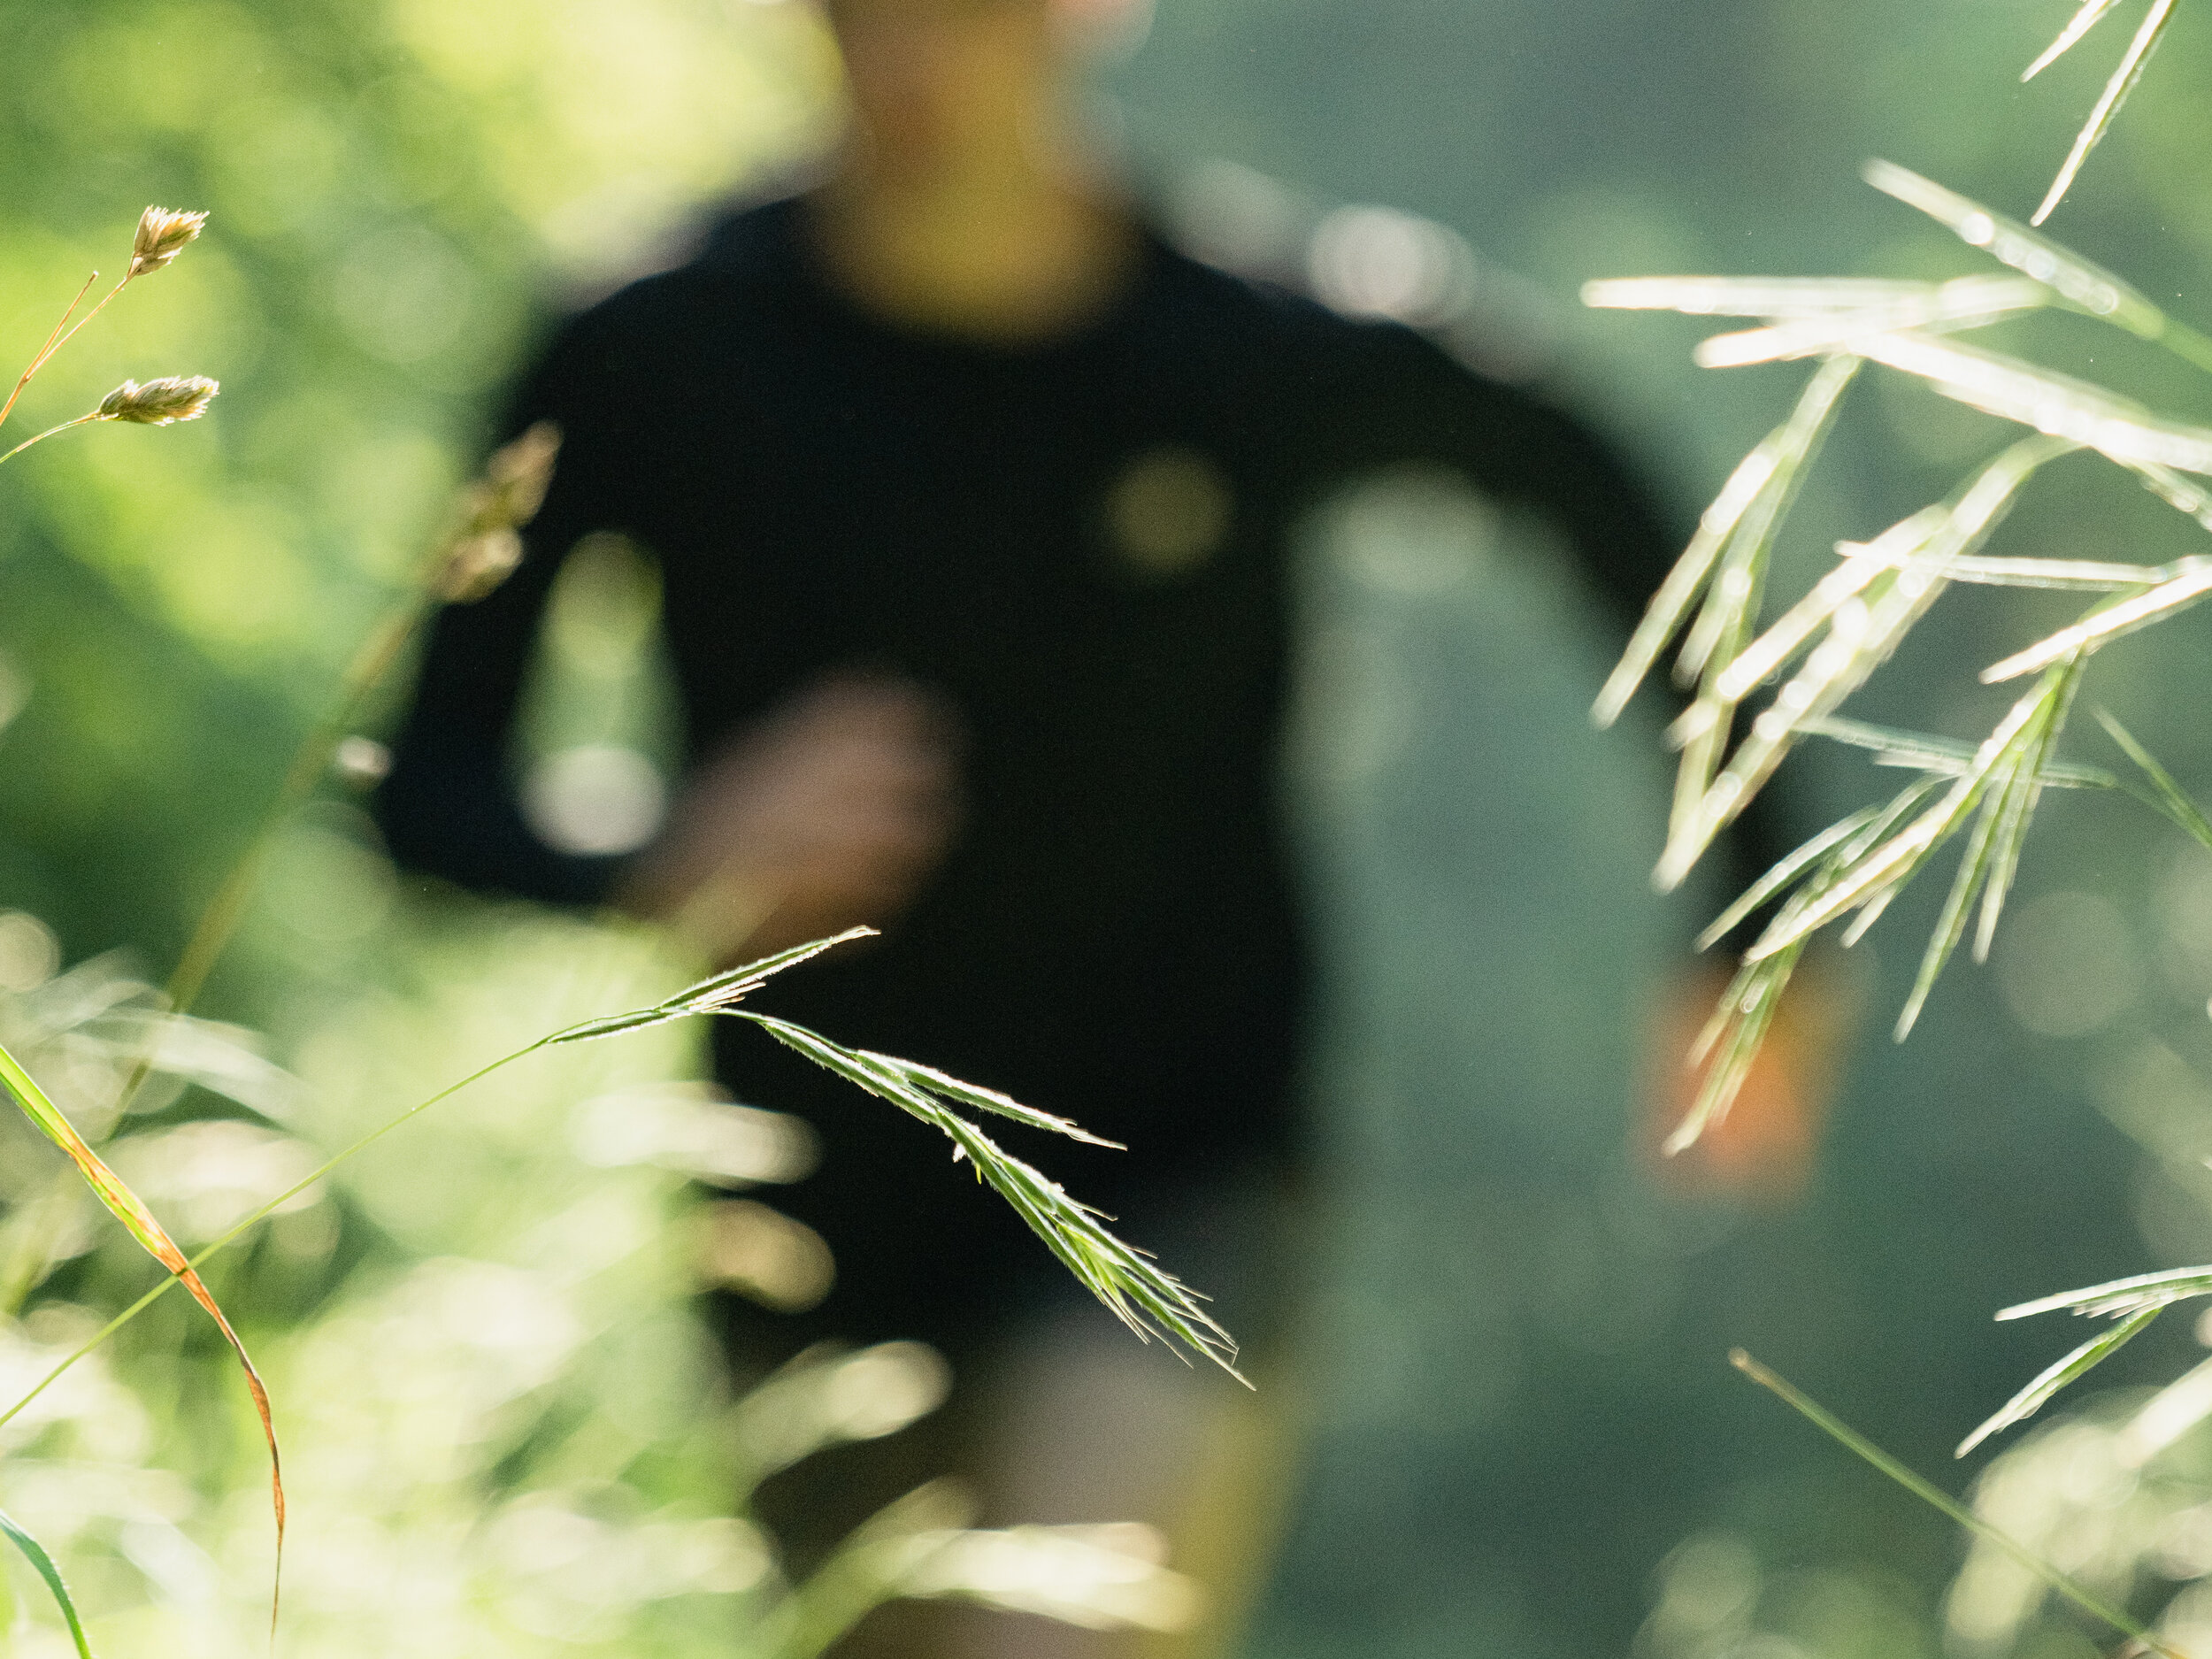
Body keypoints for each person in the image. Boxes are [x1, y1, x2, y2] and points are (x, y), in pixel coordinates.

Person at [377, 0, 1812, 1652]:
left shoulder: (1255, 348)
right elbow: (423, 791)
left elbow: (1610, 508)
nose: (910, 57)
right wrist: (658, 853)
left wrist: (1758, 923)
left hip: (1171, 1197)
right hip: (801, 1233)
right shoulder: (653, 347)